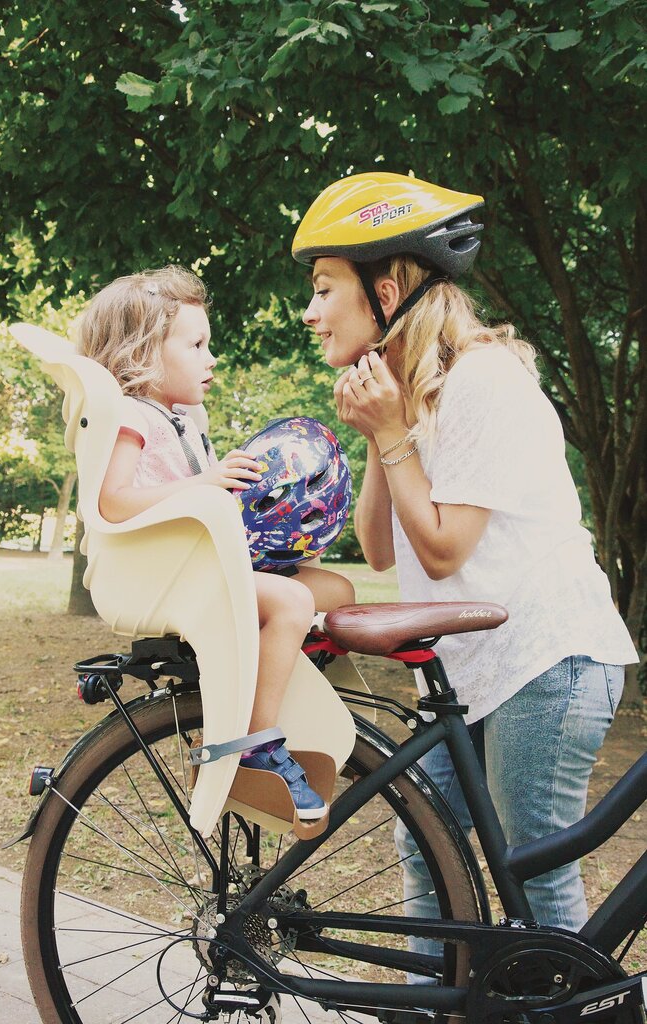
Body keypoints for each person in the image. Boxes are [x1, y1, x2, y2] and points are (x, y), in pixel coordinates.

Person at [292, 172, 638, 950]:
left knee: (534, 866)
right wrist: (386, 428)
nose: (310, 312)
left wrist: (390, 434)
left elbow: (444, 549)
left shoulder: (484, 378)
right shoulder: (412, 393)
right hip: (465, 667)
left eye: (323, 288)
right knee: (428, 858)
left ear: (385, 290)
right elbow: (381, 545)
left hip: (541, 658)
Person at [77, 265, 355, 820]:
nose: (211, 359)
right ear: (142, 354)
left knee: (337, 590)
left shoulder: (179, 418)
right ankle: (253, 745)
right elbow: (111, 502)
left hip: (195, 568)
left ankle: (272, 685)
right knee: (293, 601)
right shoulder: (133, 417)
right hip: (163, 576)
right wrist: (204, 483)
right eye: (197, 345)